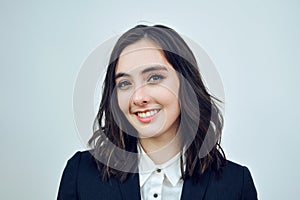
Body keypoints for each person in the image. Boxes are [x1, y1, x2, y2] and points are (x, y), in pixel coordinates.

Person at [57, 24, 258, 200]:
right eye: (125, 83)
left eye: (154, 78)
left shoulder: (235, 184)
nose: (138, 97)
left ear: (186, 84)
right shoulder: (80, 174)